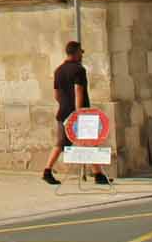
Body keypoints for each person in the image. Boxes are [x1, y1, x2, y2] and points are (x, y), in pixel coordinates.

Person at [42, 39, 111, 187]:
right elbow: (79, 91)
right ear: (75, 53)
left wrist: (64, 106)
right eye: (81, 52)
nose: (82, 55)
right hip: (78, 113)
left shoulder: (58, 71)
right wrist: (79, 114)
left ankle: (48, 171)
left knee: (62, 143)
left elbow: (56, 94)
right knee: (90, 141)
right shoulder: (79, 70)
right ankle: (98, 175)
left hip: (63, 112)